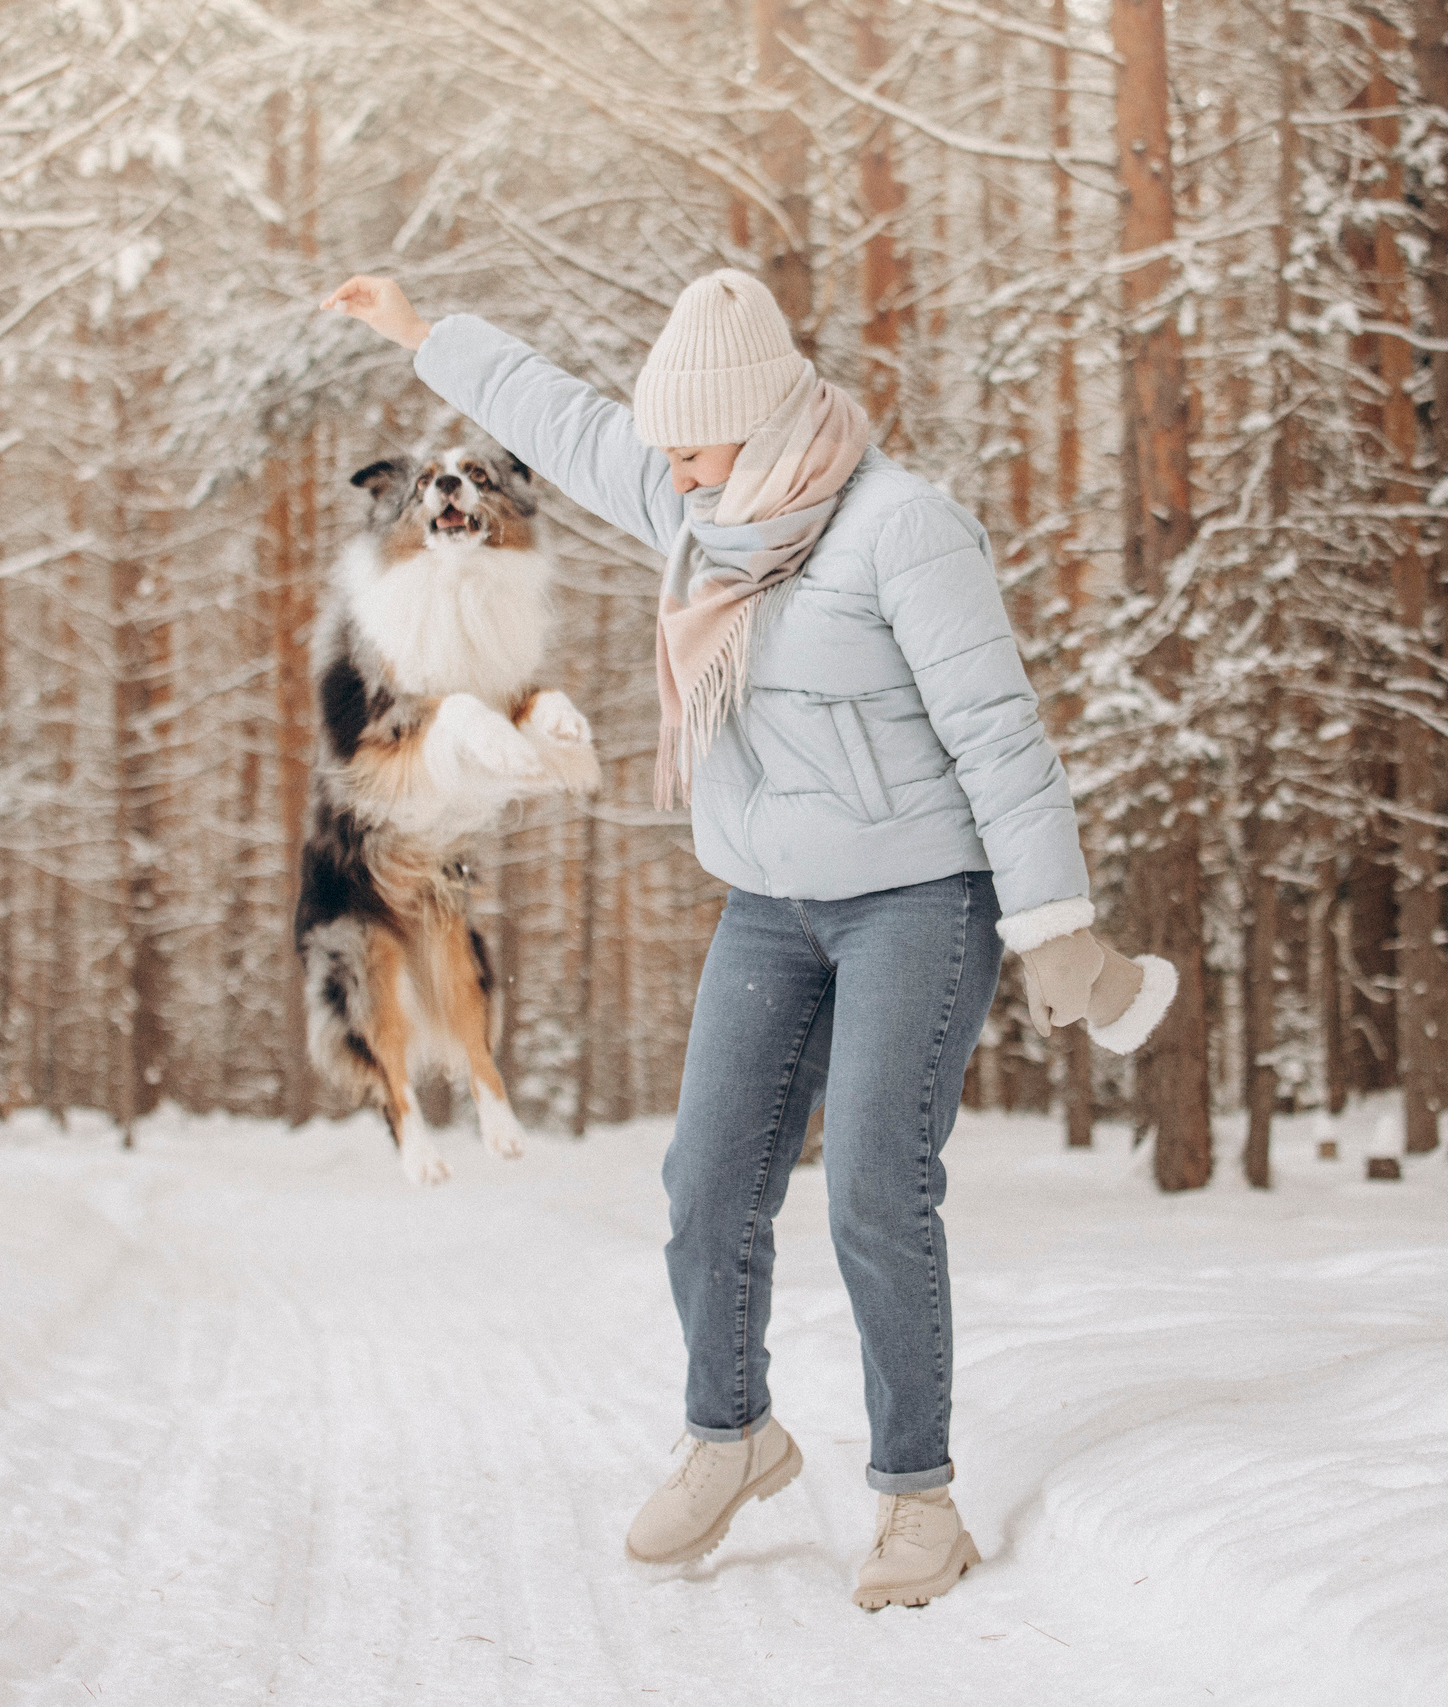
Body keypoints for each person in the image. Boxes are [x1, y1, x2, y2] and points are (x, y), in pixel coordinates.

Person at [323, 269, 1178, 1611]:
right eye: (667, 449)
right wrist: (426, 333)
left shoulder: (903, 531)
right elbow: (564, 420)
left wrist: (1054, 923)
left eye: (695, 446)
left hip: (917, 897)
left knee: (875, 1188)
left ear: (765, 420)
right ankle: (732, 1439)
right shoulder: (698, 508)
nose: (670, 470)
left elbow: (999, 735)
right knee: (708, 1183)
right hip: (772, 904)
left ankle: (918, 1499)